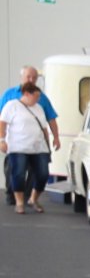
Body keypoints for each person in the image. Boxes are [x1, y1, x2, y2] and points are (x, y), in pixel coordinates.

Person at [0, 82, 55, 212]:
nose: (38, 99)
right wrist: (2, 140)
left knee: (43, 174)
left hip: (39, 147)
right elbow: (2, 123)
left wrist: (49, 142)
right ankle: (19, 202)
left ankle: (33, 199)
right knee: (18, 174)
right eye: (35, 96)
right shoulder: (11, 106)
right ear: (26, 94)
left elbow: (44, 127)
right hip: (18, 147)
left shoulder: (39, 108)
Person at [0, 66, 61, 151]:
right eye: (28, 77)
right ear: (21, 77)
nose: (31, 80)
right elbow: (1, 118)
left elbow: (51, 118)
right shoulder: (9, 94)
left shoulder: (42, 98)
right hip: (13, 145)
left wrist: (56, 137)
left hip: (36, 146)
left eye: (34, 78)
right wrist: (1, 140)